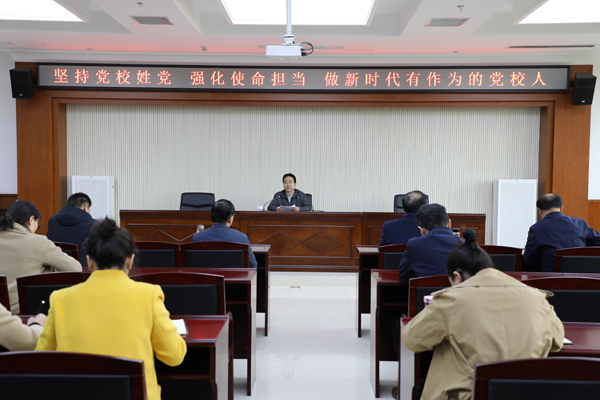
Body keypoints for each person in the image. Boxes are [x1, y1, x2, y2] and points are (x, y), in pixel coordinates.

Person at [399, 229, 564, 400]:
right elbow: (557, 341)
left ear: (456, 276)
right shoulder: (536, 296)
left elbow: (412, 340)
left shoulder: (452, 300)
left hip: (471, 393)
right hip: (528, 393)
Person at [36, 217, 187, 400]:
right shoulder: (149, 295)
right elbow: (174, 356)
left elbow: (41, 361)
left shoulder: (60, 299)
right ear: (130, 260)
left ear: (89, 261)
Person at [0, 200, 81, 314]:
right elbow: (76, 269)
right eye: (38, 225)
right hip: (23, 314)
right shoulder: (38, 242)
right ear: (31, 220)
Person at [522, 193, 600, 272]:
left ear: (540, 211)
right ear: (561, 208)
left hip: (551, 278)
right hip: (582, 277)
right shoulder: (580, 224)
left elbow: (529, 260)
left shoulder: (536, 229)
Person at [398, 203, 463, 284]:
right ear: (449, 223)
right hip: (457, 292)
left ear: (421, 230)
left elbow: (403, 278)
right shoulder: (466, 245)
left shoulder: (414, 244)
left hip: (424, 292)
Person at [192, 199, 257, 268]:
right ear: (230, 219)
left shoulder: (197, 238)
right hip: (233, 275)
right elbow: (253, 265)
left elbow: (192, 264)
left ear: (211, 216)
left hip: (206, 275)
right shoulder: (242, 238)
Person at [47, 192, 96, 268]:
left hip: (56, 270)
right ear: (86, 207)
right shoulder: (93, 224)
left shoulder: (53, 221)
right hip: (83, 271)